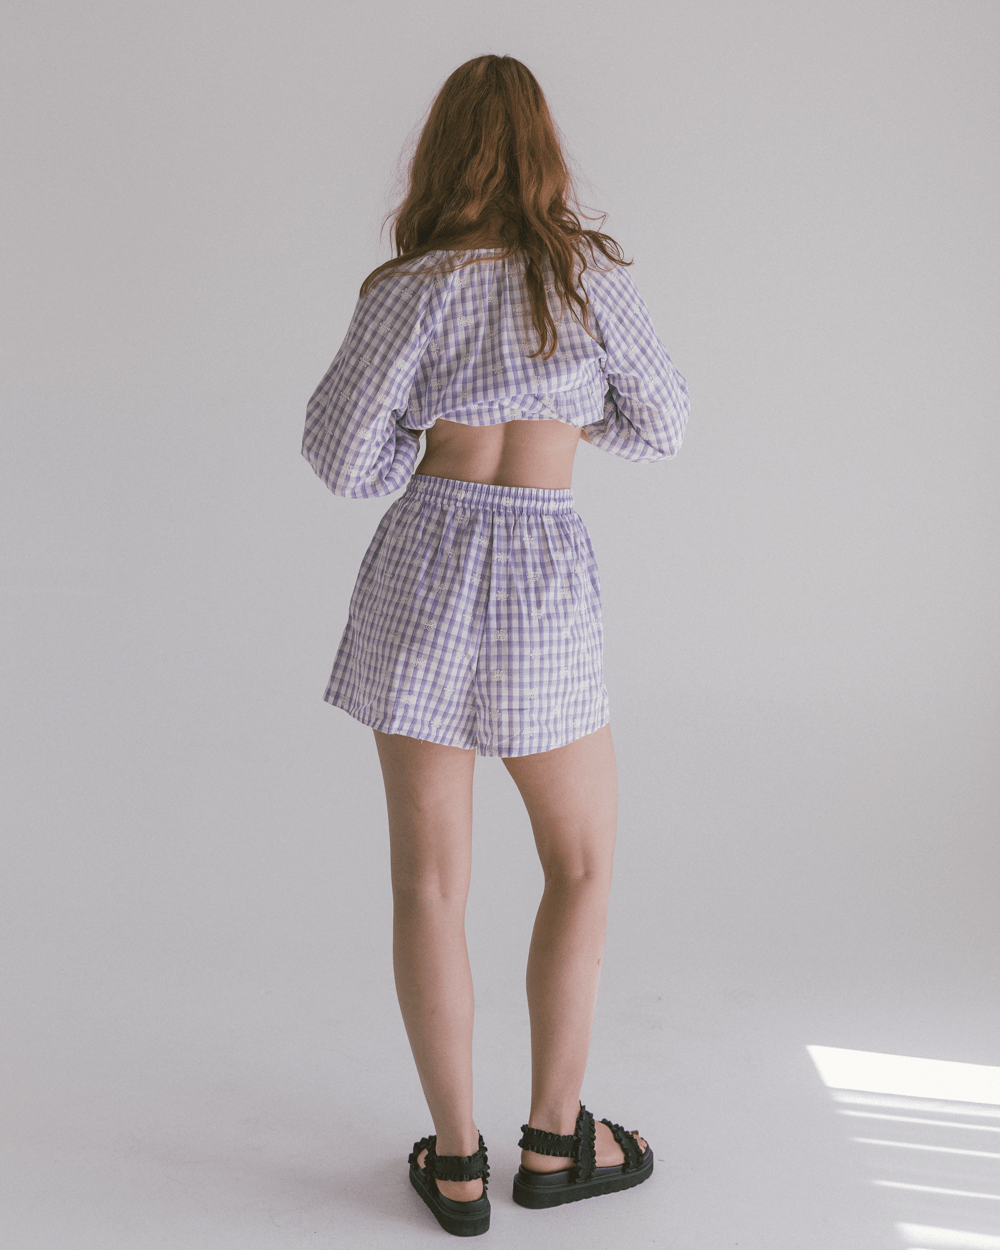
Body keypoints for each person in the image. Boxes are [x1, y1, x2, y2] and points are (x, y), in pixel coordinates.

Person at [302, 53, 689, 1237]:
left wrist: (422, 442)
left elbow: (341, 457)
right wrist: (568, 413)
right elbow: (663, 423)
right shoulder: (585, 278)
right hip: (542, 577)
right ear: (544, 153)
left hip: (423, 562)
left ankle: (458, 1159)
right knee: (580, 866)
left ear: (438, 155)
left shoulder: (410, 286)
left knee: (429, 882)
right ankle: (557, 1140)